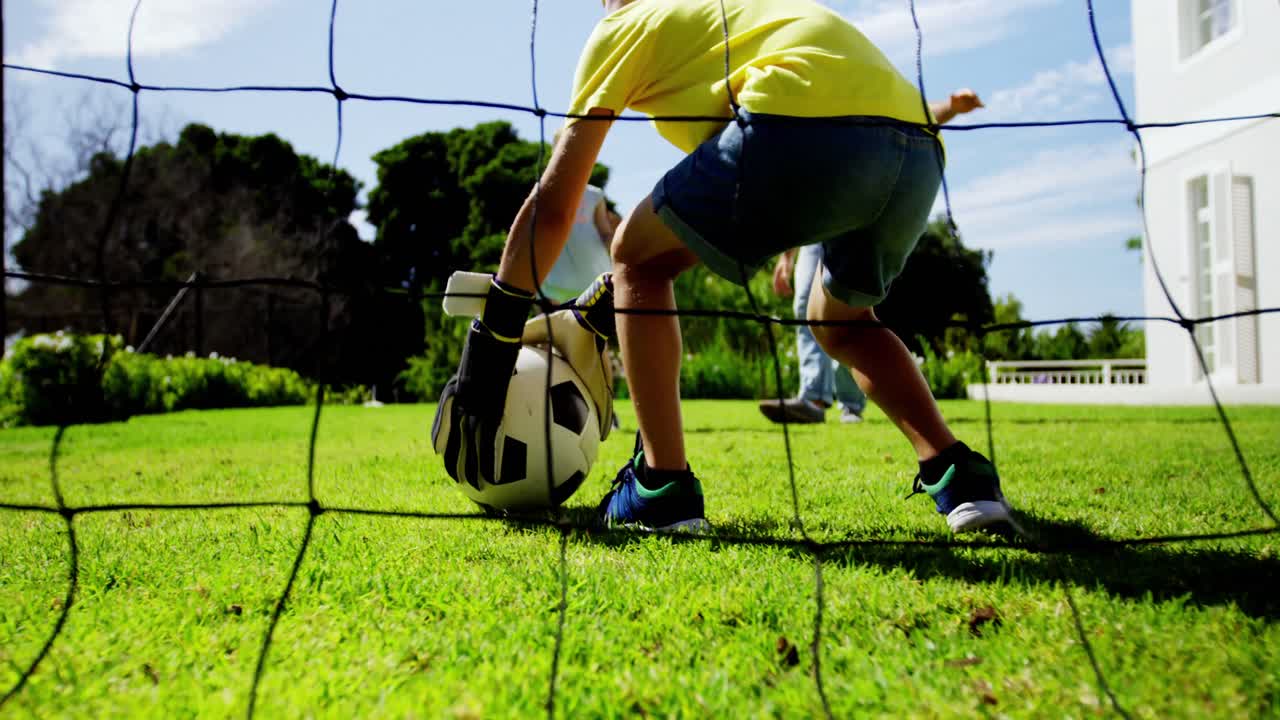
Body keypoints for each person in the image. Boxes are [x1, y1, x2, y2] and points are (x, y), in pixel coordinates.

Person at [433, 0, 1012, 535]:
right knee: (840, 321)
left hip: (799, 119)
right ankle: (959, 474)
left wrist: (493, 337)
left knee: (636, 257)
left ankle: (660, 486)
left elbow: (557, 207)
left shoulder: (622, 24)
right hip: (917, 151)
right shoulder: (727, 9)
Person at [759, 89, 984, 426]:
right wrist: (785, 258)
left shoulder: (859, 95)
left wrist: (951, 108)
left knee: (843, 309)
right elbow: (798, 193)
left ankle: (850, 403)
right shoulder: (807, 110)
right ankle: (813, 398)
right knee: (804, 305)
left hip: (855, 215)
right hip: (815, 226)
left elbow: (911, 114)